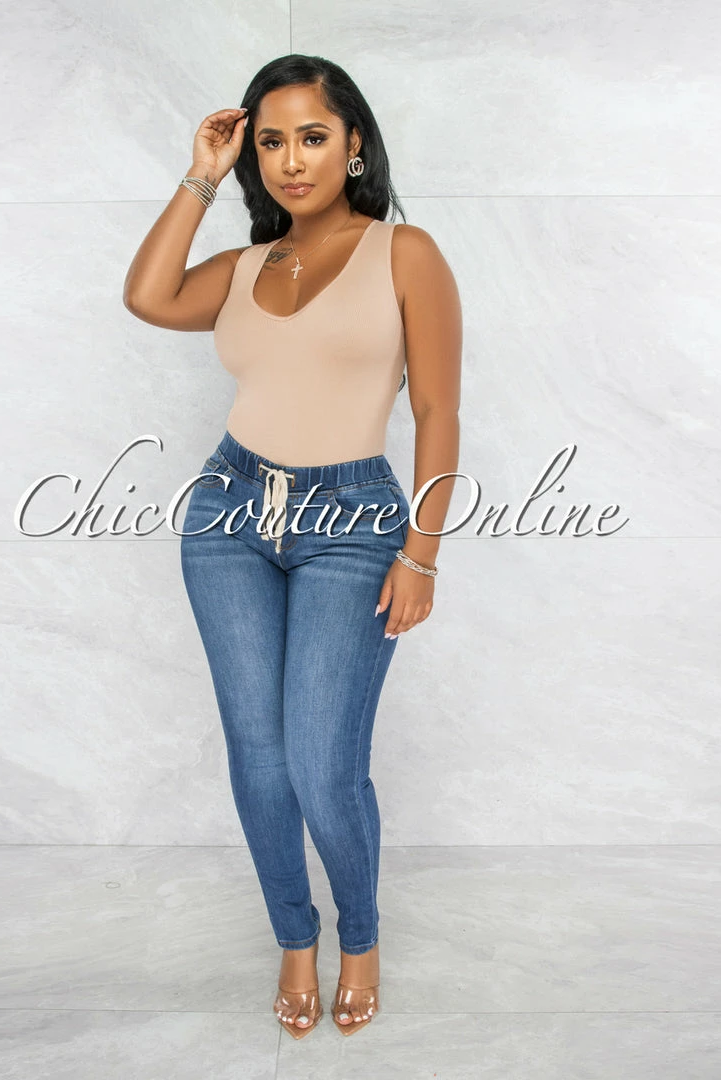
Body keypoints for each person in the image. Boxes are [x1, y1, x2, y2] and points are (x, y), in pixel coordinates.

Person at [123, 54, 461, 1040]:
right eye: (271, 142)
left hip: (353, 524)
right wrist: (201, 174)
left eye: (313, 136)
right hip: (228, 514)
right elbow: (147, 295)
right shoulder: (244, 269)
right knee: (260, 760)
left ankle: (362, 938)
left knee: (322, 762)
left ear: (354, 143)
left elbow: (438, 411)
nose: (292, 159)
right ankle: (294, 939)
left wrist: (422, 553)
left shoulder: (405, 253)